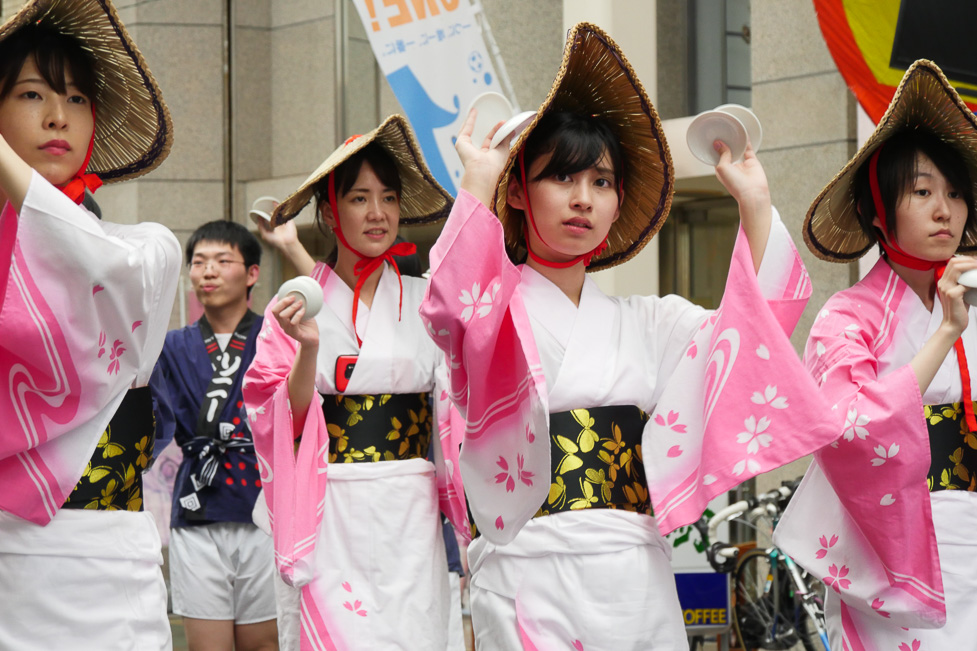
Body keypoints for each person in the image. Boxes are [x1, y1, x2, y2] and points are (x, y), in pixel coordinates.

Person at [419, 22, 838, 649]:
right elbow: (454, 309)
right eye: (562, 178)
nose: (583, 199)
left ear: (617, 206)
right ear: (518, 191)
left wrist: (754, 205)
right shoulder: (493, 312)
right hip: (527, 569)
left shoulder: (651, 322)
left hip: (634, 570)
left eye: (602, 182)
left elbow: (749, 340)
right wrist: (478, 181)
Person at [773, 60, 977, 649]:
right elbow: (850, 430)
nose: (945, 210)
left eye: (956, 193)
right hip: (895, 556)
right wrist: (944, 332)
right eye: (921, 192)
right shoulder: (847, 320)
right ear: (878, 211)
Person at [242, 115, 466, 649]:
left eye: (388, 198)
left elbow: (457, 403)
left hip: (409, 505)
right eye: (360, 198)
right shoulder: (292, 305)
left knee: (414, 629)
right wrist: (309, 349)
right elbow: (280, 419)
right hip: (327, 504)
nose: (378, 213)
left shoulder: (425, 299)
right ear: (328, 211)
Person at [0, 1, 180, 649]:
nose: (57, 116)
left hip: (110, 564)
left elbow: (92, 266)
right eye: (31, 94)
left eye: (76, 98)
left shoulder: (146, 249)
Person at [155, 220, 279, 651]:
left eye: (222, 261)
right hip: (197, 508)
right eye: (199, 262)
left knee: (263, 643)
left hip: (264, 507)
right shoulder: (170, 345)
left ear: (251, 274)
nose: (208, 271)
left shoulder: (276, 337)